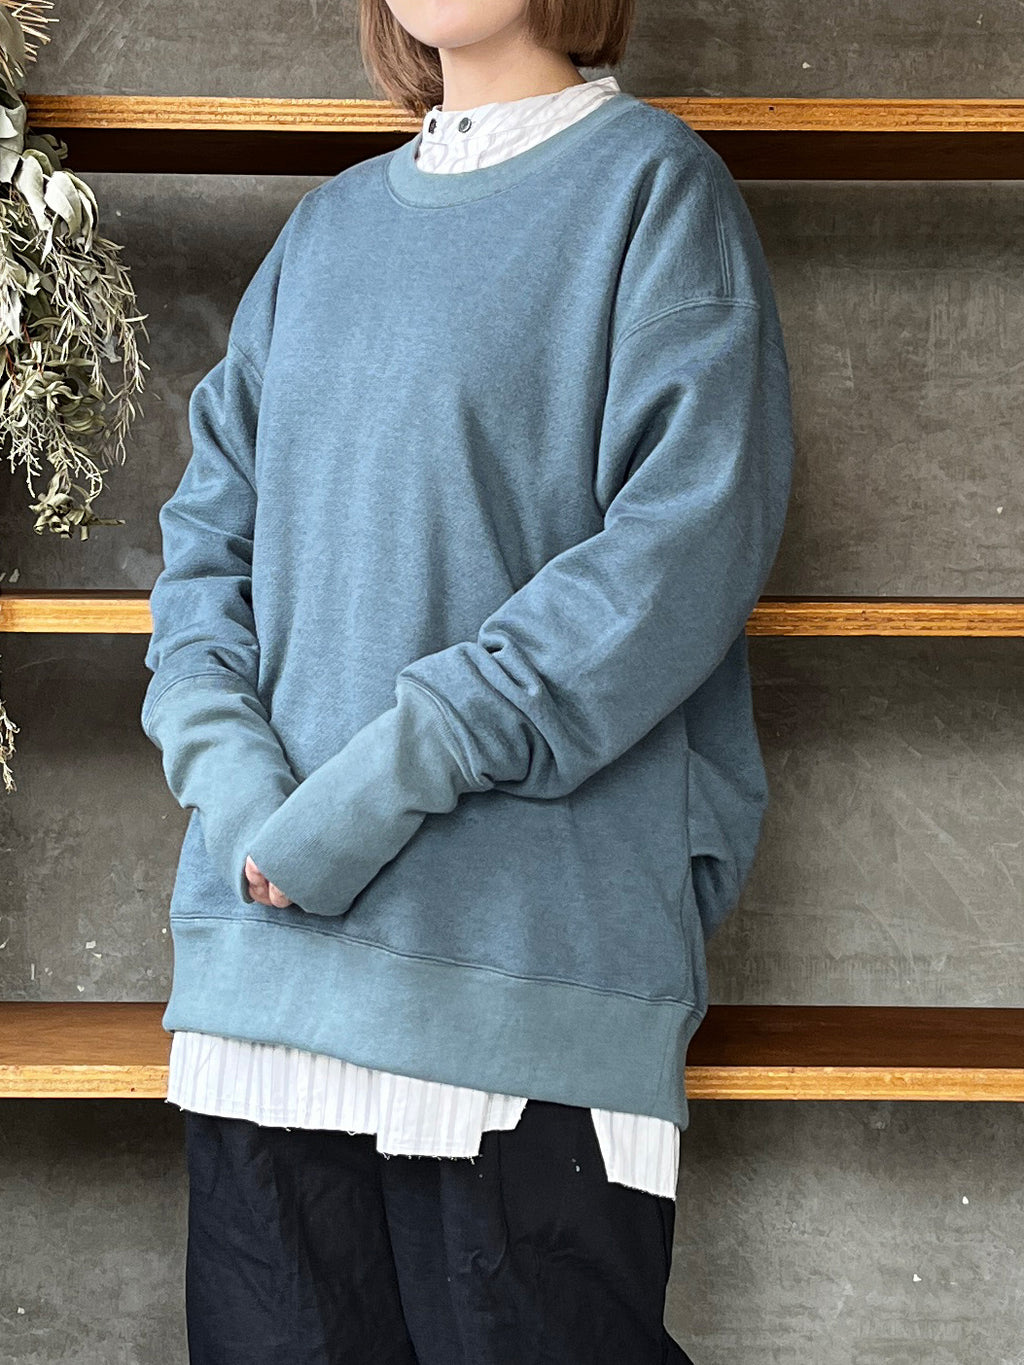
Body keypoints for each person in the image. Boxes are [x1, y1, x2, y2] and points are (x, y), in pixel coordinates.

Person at [140, 2, 796, 1361]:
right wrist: (246, 800)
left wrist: (366, 795)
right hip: (265, 1002)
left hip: (522, 989)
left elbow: (675, 559)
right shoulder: (324, 232)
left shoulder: (653, 191)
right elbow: (204, 558)